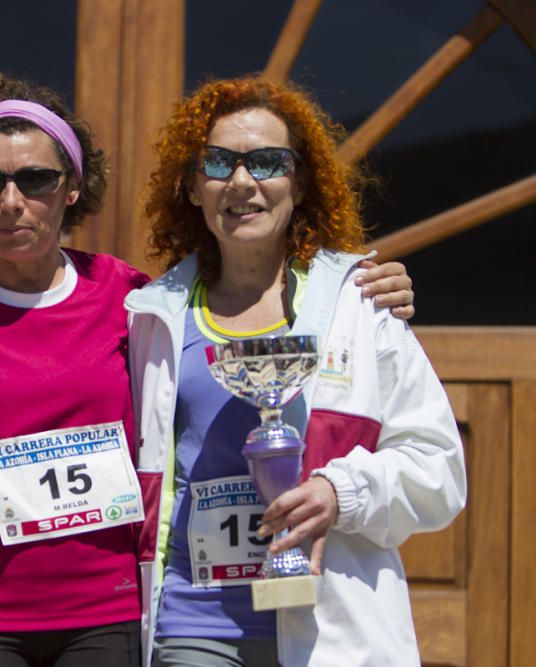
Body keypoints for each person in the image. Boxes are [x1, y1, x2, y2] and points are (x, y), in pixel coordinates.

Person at [0, 75, 415, 667]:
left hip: (108, 617)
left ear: (72, 188)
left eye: (36, 180)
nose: (12, 201)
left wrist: (357, 286)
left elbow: (230, 361)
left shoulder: (133, 299)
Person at [125, 76, 466, 667]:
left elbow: (440, 470)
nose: (241, 181)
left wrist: (341, 493)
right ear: (190, 186)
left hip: (331, 633)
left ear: (300, 182)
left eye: (266, 162)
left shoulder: (361, 304)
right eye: (219, 162)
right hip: (191, 620)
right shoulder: (149, 317)